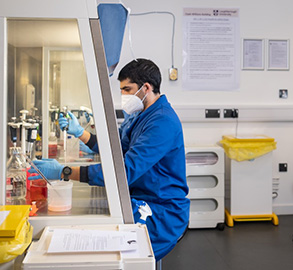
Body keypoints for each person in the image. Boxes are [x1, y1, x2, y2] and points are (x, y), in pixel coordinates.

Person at [30, 59, 190, 260]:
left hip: (161, 211)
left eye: (127, 89)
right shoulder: (141, 115)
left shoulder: (162, 121)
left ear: (146, 87)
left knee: (115, 257)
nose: (123, 95)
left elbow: (124, 171)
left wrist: (65, 172)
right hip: (140, 198)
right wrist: (81, 133)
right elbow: (117, 151)